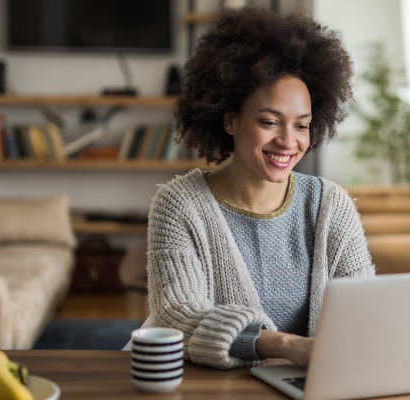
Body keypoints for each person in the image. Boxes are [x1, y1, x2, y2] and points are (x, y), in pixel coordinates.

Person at [136, 7, 375, 369]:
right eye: (269, 121)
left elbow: (365, 308)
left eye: (301, 126)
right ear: (230, 119)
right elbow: (177, 316)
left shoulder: (330, 205)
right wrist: (285, 345)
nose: (287, 141)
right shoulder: (178, 205)